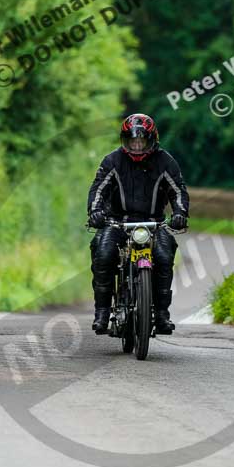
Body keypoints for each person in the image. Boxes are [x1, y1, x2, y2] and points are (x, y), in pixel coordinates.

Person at [87, 113, 189, 335]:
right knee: (103, 255)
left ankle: (162, 314)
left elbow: (178, 190)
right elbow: (98, 189)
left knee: (163, 257)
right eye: (132, 141)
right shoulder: (112, 161)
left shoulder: (165, 162)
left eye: (141, 141)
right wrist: (95, 211)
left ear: (152, 140)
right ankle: (102, 312)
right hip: (117, 223)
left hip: (154, 224)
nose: (137, 146)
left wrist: (180, 213)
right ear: (125, 141)